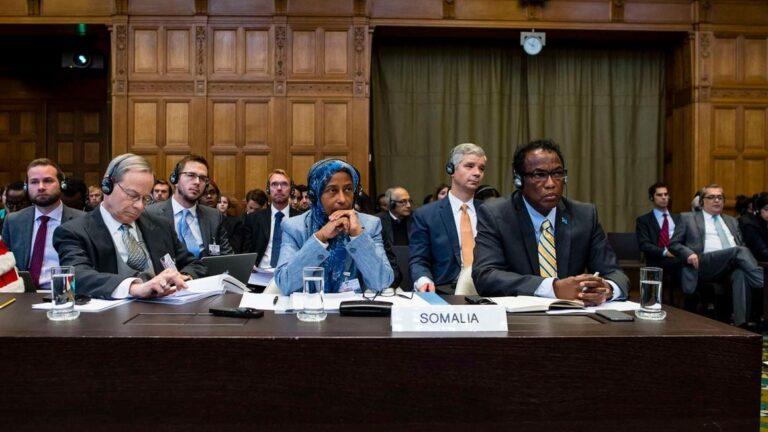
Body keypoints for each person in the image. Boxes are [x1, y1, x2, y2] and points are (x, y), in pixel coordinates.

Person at [473, 139, 629, 303]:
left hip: (573, 318)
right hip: (520, 320)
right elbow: (486, 276)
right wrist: (553, 288)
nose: (551, 183)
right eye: (539, 175)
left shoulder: (584, 215)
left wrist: (607, 289)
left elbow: (615, 274)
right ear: (518, 180)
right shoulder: (496, 214)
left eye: (557, 174)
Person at [53, 154, 206, 299]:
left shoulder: (160, 225)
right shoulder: (73, 231)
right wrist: (134, 288)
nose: (140, 206)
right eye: (132, 196)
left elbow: (194, 264)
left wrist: (182, 277)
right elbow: (77, 276)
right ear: (107, 186)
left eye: (145, 198)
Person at [274, 159, 393, 294]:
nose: (342, 199)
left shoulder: (370, 225)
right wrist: (320, 238)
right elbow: (284, 283)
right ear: (315, 195)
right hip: (308, 310)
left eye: (348, 189)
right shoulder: (294, 227)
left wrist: (358, 236)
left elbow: (382, 282)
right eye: (332, 190)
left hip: (351, 312)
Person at [669, 184, 763, 327]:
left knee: (740, 274)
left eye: (720, 197)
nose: (716, 200)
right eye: (711, 197)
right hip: (703, 263)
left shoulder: (732, 221)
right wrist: (688, 254)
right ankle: (762, 282)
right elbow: (673, 244)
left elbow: (741, 243)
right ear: (701, 202)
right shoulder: (688, 218)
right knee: (739, 250)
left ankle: (741, 325)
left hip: (729, 265)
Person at [409, 143, 486, 293]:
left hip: (487, 291)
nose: (477, 173)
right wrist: (423, 280)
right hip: (444, 292)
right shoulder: (426, 215)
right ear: (451, 169)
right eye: (469, 166)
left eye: (481, 168)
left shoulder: (490, 212)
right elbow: (419, 260)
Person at [2, 159, 84, 290]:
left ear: (62, 184)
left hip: (67, 295)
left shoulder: (83, 220)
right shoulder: (13, 221)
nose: (40, 187)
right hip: (22, 296)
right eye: (34, 182)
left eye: (48, 181)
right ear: (26, 187)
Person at [145, 155, 233, 258]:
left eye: (202, 178)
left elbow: (227, 257)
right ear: (176, 179)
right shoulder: (150, 214)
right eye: (191, 175)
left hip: (207, 273)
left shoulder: (214, 216)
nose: (197, 182)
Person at [241, 169, 300, 270]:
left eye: (284, 184)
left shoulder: (301, 219)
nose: (279, 188)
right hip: (259, 276)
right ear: (268, 190)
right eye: (274, 184)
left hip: (290, 276)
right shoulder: (253, 219)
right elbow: (245, 252)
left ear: (291, 190)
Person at [635, 182, 683, 274]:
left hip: (679, 257)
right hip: (657, 260)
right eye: (659, 195)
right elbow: (644, 244)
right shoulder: (644, 220)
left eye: (666, 194)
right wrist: (665, 252)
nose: (664, 197)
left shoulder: (679, 218)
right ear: (652, 198)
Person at [740, 192, 768, 262]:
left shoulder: (765, 221)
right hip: (757, 263)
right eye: (767, 209)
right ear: (757, 210)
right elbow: (763, 251)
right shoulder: (749, 224)